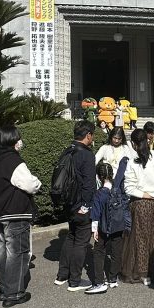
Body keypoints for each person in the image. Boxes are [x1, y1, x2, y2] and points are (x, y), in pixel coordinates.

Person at [0, 125, 40, 308]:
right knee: (18, 253)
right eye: (18, 138)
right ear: (12, 140)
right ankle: (14, 293)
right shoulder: (13, 160)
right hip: (15, 213)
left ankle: (4, 288)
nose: (20, 141)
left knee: (5, 251)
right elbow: (30, 184)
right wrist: (38, 182)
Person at [121, 127, 154, 285]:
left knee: (142, 238)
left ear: (134, 144)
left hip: (141, 203)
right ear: (148, 139)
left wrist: (144, 194)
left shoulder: (132, 162)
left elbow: (128, 187)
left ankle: (145, 273)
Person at [55, 121, 97, 291]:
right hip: (81, 203)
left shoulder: (68, 150)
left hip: (68, 202)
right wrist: (86, 206)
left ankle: (62, 275)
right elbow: (89, 184)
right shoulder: (86, 155)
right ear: (88, 135)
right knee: (81, 240)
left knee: (71, 236)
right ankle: (75, 280)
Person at [85, 160, 129, 294]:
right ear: (112, 174)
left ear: (99, 176)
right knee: (116, 251)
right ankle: (113, 278)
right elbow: (121, 172)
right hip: (118, 225)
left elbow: (96, 213)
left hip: (103, 227)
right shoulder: (117, 189)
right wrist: (124, 161)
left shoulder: (100, 193)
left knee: (99, 251)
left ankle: (99, 281)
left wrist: (94, 230)